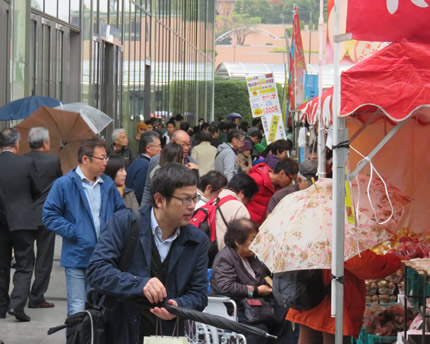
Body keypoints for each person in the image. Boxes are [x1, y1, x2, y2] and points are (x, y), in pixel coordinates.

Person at [87, 163, 209, 343]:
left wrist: (179, 306)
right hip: (121, 330)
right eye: (184, 199)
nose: (192, 206)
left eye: (195, 198)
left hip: (168, 335)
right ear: (159, 200)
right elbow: (97, 271)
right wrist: (139, 284)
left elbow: (199, 294)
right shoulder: (125, 224)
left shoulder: (197, 241)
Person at [43, 137, 125, 316]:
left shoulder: (107, 184)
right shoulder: (65, 184)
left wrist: (114, 237)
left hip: (104, 257)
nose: (106, 162)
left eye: (106, 158)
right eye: (101, 158)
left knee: (98, 309)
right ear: (86, 159)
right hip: (77, 256)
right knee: (77, 308)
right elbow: (49, 215)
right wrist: (76, 232)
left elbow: (121, 213)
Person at [286, 250, 402, 343]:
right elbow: (365, 264)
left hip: (309, 299)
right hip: (332, 302)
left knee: (310, 338)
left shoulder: (309, 229)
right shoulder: (339, 230)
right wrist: (395, 259)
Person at [211, 218, 291, 344]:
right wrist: (255, 290)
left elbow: (263, 277)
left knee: (286, 316)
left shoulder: (252, 257)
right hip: (237, 309)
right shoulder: (225, 258)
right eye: (253, 239)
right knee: (259, 330)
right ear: (238, 241)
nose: (256, 243)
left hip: (257, 306)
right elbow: (225, 287)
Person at [0, 128, 40, 322]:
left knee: (1, 265)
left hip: (1, 221)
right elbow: (37, 188)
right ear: (17, 144)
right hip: (23, 220)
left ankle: (0, 306)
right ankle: (17, 305)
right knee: (25, 265)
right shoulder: (26, 162)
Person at [25, 127, 63, 309]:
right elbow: (59, 181)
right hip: (46, 214)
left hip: (24, 215)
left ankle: (19, 295)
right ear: (46, 143)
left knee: (25, 260)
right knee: (44, 258)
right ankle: (37, 296)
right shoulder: (53, 159)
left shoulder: (21, 160)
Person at [140, 130, 198, 206]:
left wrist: (194, 173)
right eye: (183, 145)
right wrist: (143, 209)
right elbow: (148, 189)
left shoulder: (192, 163)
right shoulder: (155, 160)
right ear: (171, 142)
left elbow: (195, 191)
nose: (186, 148)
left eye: (188, 145)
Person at [247, 159, 299, 225]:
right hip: (249, 225)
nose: (290, 183)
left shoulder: (280, 188)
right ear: (282, 173)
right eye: (290, 179)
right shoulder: (256, 179)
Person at [215, 174, 258, 251]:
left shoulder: (215, 199)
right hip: (228, 255)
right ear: (242, 193)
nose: (247, 203)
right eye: (248, 200)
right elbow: (244, 241)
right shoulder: (239, 208)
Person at [126, 131, 161, 204]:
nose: (160, 149)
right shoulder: (145, 166)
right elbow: (142, 193)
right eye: (158, 146)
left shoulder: (138, 161)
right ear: (148, 148)